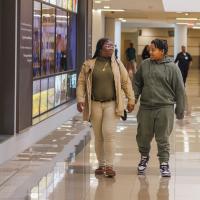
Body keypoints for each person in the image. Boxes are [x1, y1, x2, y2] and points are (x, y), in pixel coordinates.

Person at [76, 38, 135, 178]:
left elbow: (126, 82)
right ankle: (101, 164)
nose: (112, 49)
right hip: (95, 104)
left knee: (108, 133)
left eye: (113, 46)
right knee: (98, 136)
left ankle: (109, 166)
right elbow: (81, 83)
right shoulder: (89, 64)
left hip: (112, 104)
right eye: (108, 46)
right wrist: (80, 99)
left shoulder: (117, 64)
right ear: (100, 48)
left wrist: (131, 99)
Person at [134, 39, 185, 177]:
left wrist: (180, 110)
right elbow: (137, 83)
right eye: (149, 49)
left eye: (153, 50)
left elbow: (180, 90)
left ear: (162, 51)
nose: (150, 52)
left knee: (163, 138)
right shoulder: (145, 64)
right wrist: (133, 98)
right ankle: (144, 158)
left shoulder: (173, 68)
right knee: (143, 136)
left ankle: (164, 163)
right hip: (146, 108)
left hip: (164, 108)